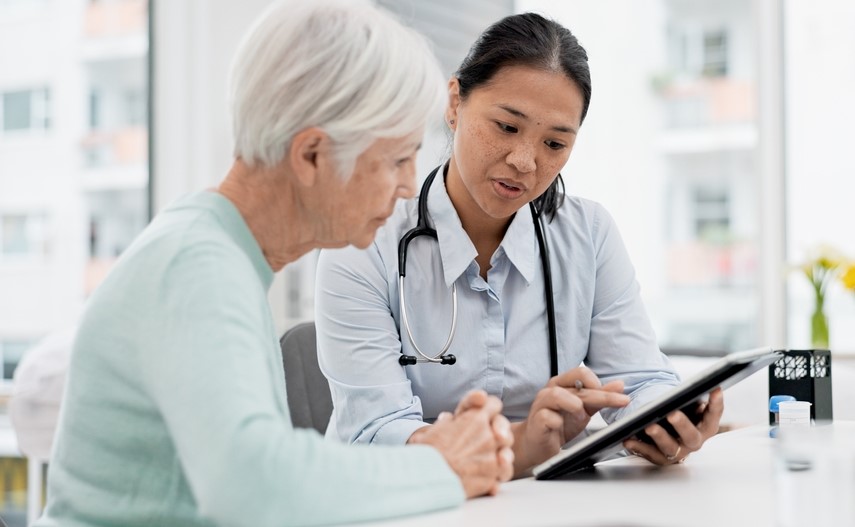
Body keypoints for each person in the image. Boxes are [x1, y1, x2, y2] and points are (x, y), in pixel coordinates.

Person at [35, 2, 515, 526]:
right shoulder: (198, 268)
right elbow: (254, 484)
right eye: (397, 159)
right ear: (311, 155)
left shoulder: (213, 253)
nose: (408, 185)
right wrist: (443, 465)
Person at [315, 12, 724, 478]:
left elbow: (640, 380)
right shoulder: (365, 242)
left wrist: (665, 419)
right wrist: (523, 444)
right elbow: (375, 433)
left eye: (554, 143)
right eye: (507, 128)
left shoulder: (587, 233)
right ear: (454, 104)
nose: (525, 162)